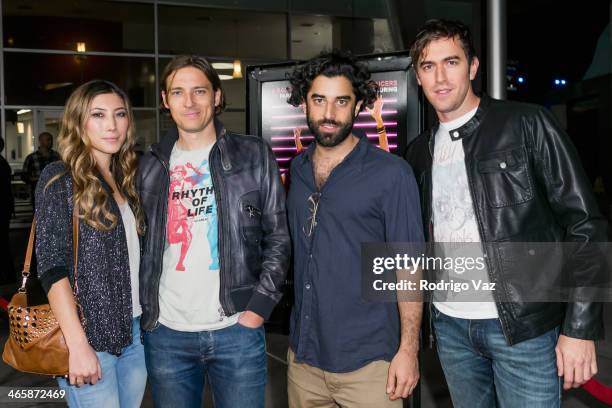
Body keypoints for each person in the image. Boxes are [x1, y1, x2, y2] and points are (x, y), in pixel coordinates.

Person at [405, 19, 606, 407]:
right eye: (428, 66)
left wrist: (580, 327)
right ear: (418, 75)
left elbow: (585, 225)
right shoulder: (418, 153)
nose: (441, 77)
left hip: (523, 327)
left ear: (473, 66)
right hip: (450, 326)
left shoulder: (527, 123)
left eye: (452, 62)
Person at [138, 55, 290, 408]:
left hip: (237, 327)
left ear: (217, 96)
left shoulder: (253, 155)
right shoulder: (148, 165)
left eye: (199, 91)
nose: (189, 102)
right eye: (178, 92)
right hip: (166, 333)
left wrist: (258, 308)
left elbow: (278, 236)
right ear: (165, 100)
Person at [285, 50, 424, 407]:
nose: (329, 114)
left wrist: (409, 349)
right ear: (304, 104)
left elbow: (409, 266)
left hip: (371, 363)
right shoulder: (296, 170)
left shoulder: (391, 174)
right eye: (319, 100)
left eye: (341, 101)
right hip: (304, 359)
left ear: (359, 105)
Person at [35, 80, 147, 408]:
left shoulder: (128, 179)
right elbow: (52, 267)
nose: (111, 125)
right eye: (98, 115)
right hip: (89, 338)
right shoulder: (60, 178)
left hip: (136, 335)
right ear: (78, 122)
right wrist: (78, 345)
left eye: (120, 114)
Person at [22, 131, 60, 208]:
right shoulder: (31, 158)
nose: (51, 142)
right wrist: (39, 179)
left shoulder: (57, 156)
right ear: (41, 141)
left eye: (51, 140)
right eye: (48, 139)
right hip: (39, 193)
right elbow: (24, 176)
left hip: (56, 193)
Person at [0, 136, 15, 283]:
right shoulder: (3, 163)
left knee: (2, 243)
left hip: (2, 208)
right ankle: (9, 275)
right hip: (5, 207)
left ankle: (7, 275)